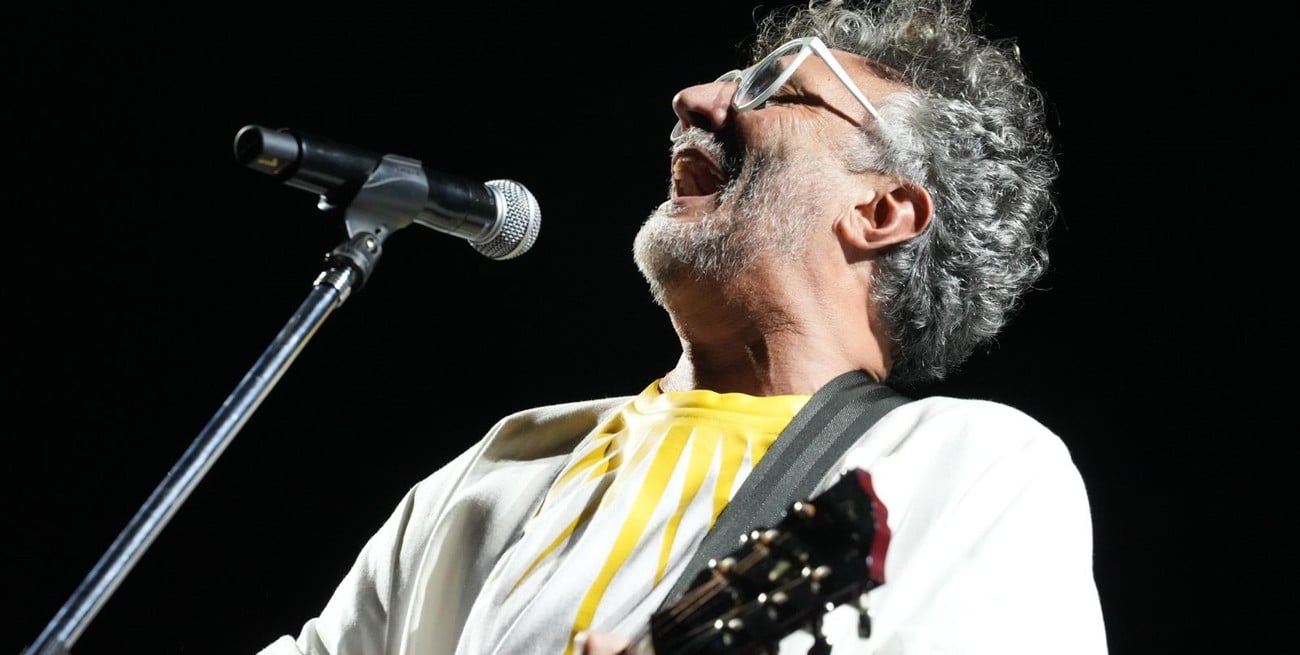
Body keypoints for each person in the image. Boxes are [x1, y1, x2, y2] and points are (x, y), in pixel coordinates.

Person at [256, 0, 1106, 653]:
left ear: (881, 211)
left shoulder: (965, 467)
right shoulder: (506, 461)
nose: (693, 98)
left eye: (775, 84)